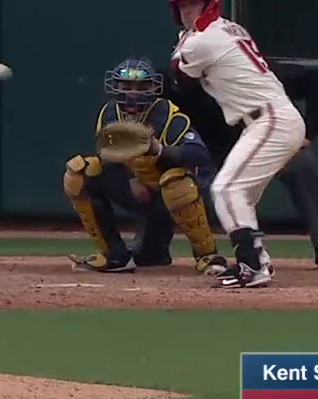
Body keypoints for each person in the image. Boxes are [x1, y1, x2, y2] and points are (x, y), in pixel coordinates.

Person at [168, 0, 305, 289]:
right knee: (240, 196)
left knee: (226, 189)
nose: (187, 11)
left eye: (193, 4)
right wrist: (187, 42)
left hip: (272, 119)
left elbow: (179, 79)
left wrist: (183, 46)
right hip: (268, 120)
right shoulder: (226, 29)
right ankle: (259, 262)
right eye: (182, 5)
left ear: (209, 5)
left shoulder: (203, 41)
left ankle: (251, 265)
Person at [165, 58, 318, 269]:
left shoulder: (253, 71)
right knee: (168, 176)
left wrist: (309, 133)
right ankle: (153, 248)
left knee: (301, 165)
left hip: (263, 142)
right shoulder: (180, 80)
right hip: (208, 152)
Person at [65, 57, 228, 275]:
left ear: (153, 87)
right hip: (137, 190)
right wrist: (132, 179)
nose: (133, 93)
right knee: (80, 171)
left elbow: (199, 155)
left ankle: (207, 256)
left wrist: (158, 150)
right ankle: (115, 256)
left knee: (175, 181)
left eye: (141, 86)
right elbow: (106, 156)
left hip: (184, 194)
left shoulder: (168, 115)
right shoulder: (110, 113)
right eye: (126, 86)